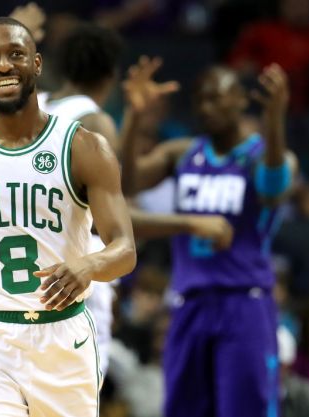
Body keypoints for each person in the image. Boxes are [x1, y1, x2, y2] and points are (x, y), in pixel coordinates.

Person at [0, 17, 136, 416]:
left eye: (16, 54)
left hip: (62, 337)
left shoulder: (84, 147)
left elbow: (124, 248)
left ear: (37, 64)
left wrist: (89, 265)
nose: (3, 65)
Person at [37, 22, 233, 377]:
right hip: (77, 273)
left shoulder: (34, 109)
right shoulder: (93, 121)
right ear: (111, 75)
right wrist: (189, 222)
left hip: (27, 272)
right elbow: (112, 213)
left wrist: (134, 115)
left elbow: (123, 186)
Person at [121, 60, 297, 417]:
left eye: (217, 98)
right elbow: (125, 184)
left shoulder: (263, 156)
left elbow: (273, 188)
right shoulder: (183, 153)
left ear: (240, 101)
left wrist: (275, 121)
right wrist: (134, 117)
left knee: (245, 409)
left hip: (244, 302)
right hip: (189, 302)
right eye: (201, 100)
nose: (206, 107)